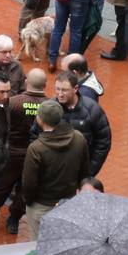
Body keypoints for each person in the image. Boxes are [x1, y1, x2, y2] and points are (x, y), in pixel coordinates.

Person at [24, 100, 90, 236]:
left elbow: (29, 182)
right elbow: (84, 172)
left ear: (40, 120)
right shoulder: (78, 138)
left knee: (39, 248)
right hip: (68, 203)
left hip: (41, 206)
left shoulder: (36, 148)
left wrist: (29, 202)